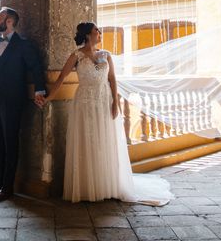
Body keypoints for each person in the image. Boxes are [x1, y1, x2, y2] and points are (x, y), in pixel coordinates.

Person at [46, 22, 172, 205]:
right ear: (89, 35)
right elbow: (61, 78)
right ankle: (88, 188)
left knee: (105, 140)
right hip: (84, 103)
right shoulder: (77, 55)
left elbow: (112, 79)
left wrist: (115, 102)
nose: (100, 33)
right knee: (88, 141)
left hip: (104, 101)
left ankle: (108, 186)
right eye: (97, 30)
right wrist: (49, 98)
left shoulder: (106, 55)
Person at [0, 7, 46, 202]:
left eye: (0, 16)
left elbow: (36, 68)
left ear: (9, 21)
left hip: (14, 101)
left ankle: (8, 187)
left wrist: (40, 90)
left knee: (10, 142)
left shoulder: (24, 45)